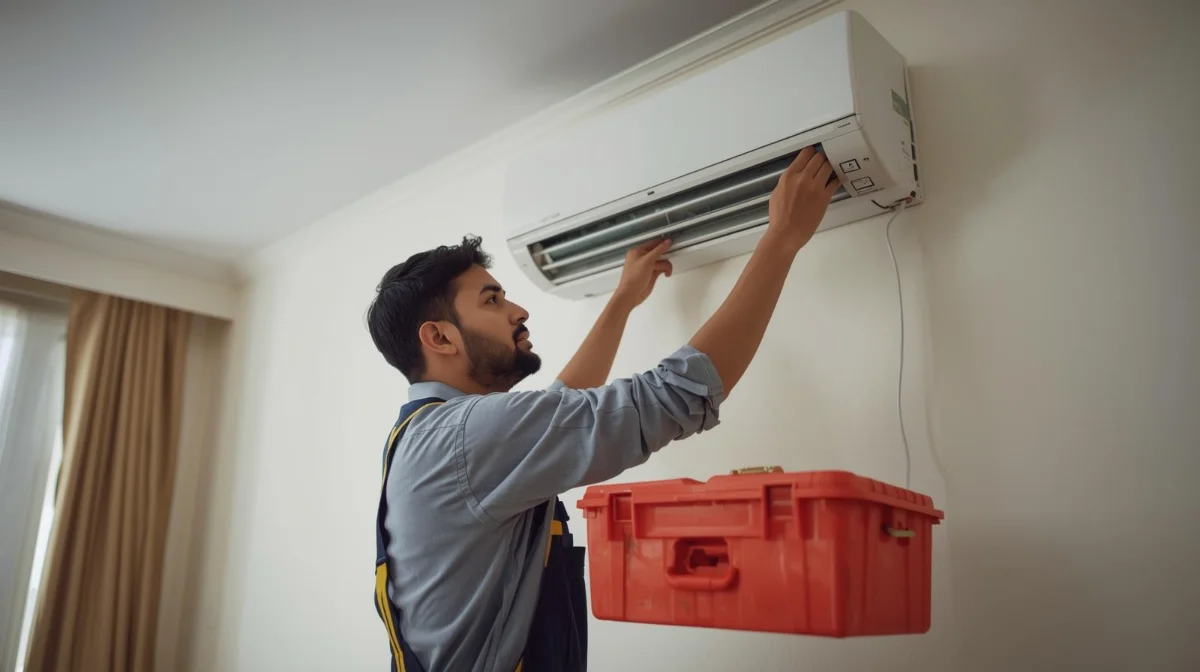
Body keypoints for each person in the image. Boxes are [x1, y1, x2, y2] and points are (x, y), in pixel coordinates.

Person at [366, 146, 841, 672]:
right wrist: (782, 239)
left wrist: (622, 301)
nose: (518, 311)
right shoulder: (464, 437)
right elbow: (676, 394)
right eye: (492, 300)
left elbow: (557, 410)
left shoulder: (429, 437)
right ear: (439, 337)